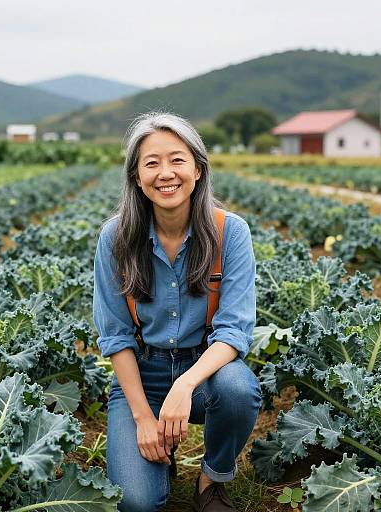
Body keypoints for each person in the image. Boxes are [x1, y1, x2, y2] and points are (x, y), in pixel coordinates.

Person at [93, 112, 261, 512]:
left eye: (177, 160)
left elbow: (234, 332)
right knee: (135, 502)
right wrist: (143, 418)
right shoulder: (115, 238)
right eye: (151, 163)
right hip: (143, 378)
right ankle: (157, 456)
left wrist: (184, 385)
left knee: (239, 389)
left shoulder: (229, 231)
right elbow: (116, 336)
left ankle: (212, 480)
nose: (165, 173)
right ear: (136, 176)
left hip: (206, 373)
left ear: (198, 170)